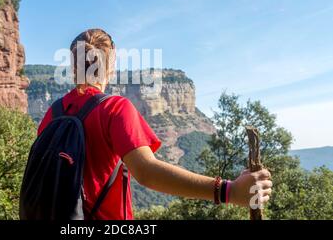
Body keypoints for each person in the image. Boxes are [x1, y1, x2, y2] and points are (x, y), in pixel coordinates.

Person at [36, 28, 272, 220]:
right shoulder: (114, 108)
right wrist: (229, 191)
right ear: (110, 66)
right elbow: (148, 173)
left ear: (74, 67)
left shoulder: (52, 114)